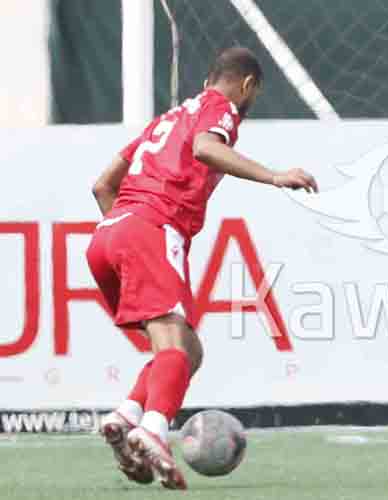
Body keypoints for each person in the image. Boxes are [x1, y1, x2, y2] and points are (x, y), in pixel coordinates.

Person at [86, 47, 317, 489]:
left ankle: (126, 416)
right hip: (152, 228)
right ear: (248, 85)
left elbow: (102, 185)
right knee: (177, 343)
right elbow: (205, 148)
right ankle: (153, 429)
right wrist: (273, 176)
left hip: (107, 235)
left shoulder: (168, 117)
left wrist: (125, 229)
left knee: (185, 349)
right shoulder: (220, 109)